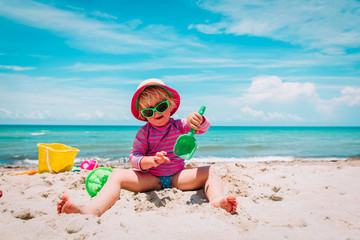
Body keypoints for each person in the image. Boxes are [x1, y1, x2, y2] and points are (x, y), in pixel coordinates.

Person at [57, 79, 237, 216]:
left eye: (161, 106)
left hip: (177, 177)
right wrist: (150, 161)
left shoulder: (180, 125)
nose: (157, 112)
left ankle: (216, 200)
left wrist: (197, 120)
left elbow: (202, 129)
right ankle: (92, 208)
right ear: (144, 116)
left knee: (210, 171)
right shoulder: (144, 133)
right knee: (117, 175)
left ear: (171, 105)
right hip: (151, 178)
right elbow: (134, 158)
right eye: (149, 111)